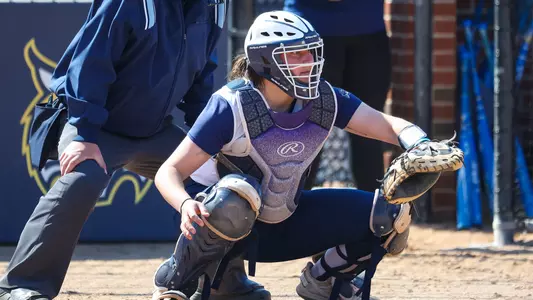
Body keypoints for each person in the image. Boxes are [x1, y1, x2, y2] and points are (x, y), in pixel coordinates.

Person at [150, 10, 462, 300]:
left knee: (391, 218)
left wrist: (420, 143)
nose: (308, 61)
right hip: (220, 226)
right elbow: (169, 172)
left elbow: (389, 124)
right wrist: (186, 205)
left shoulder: (324, 99)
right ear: (265, 61)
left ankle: (325, 282)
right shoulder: (232, 105)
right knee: (235, 196)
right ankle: (179, 279)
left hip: (283, 220)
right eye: (295, 54)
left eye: (310, 52)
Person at [0, 1, 270, 300]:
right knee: (83, 180)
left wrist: (209, 140)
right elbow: (91, 59)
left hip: (154, 130)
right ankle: (21, 285)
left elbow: (202, 72)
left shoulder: (213, 5)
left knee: (221, 183)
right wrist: (84, 132)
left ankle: (223, 282)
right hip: (94, 126)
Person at [284, 0, 391, 190]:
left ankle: (375, 215)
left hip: (369, 30)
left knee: (370, 134)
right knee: (304, 133)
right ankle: (288, 214)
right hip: (306, 33)